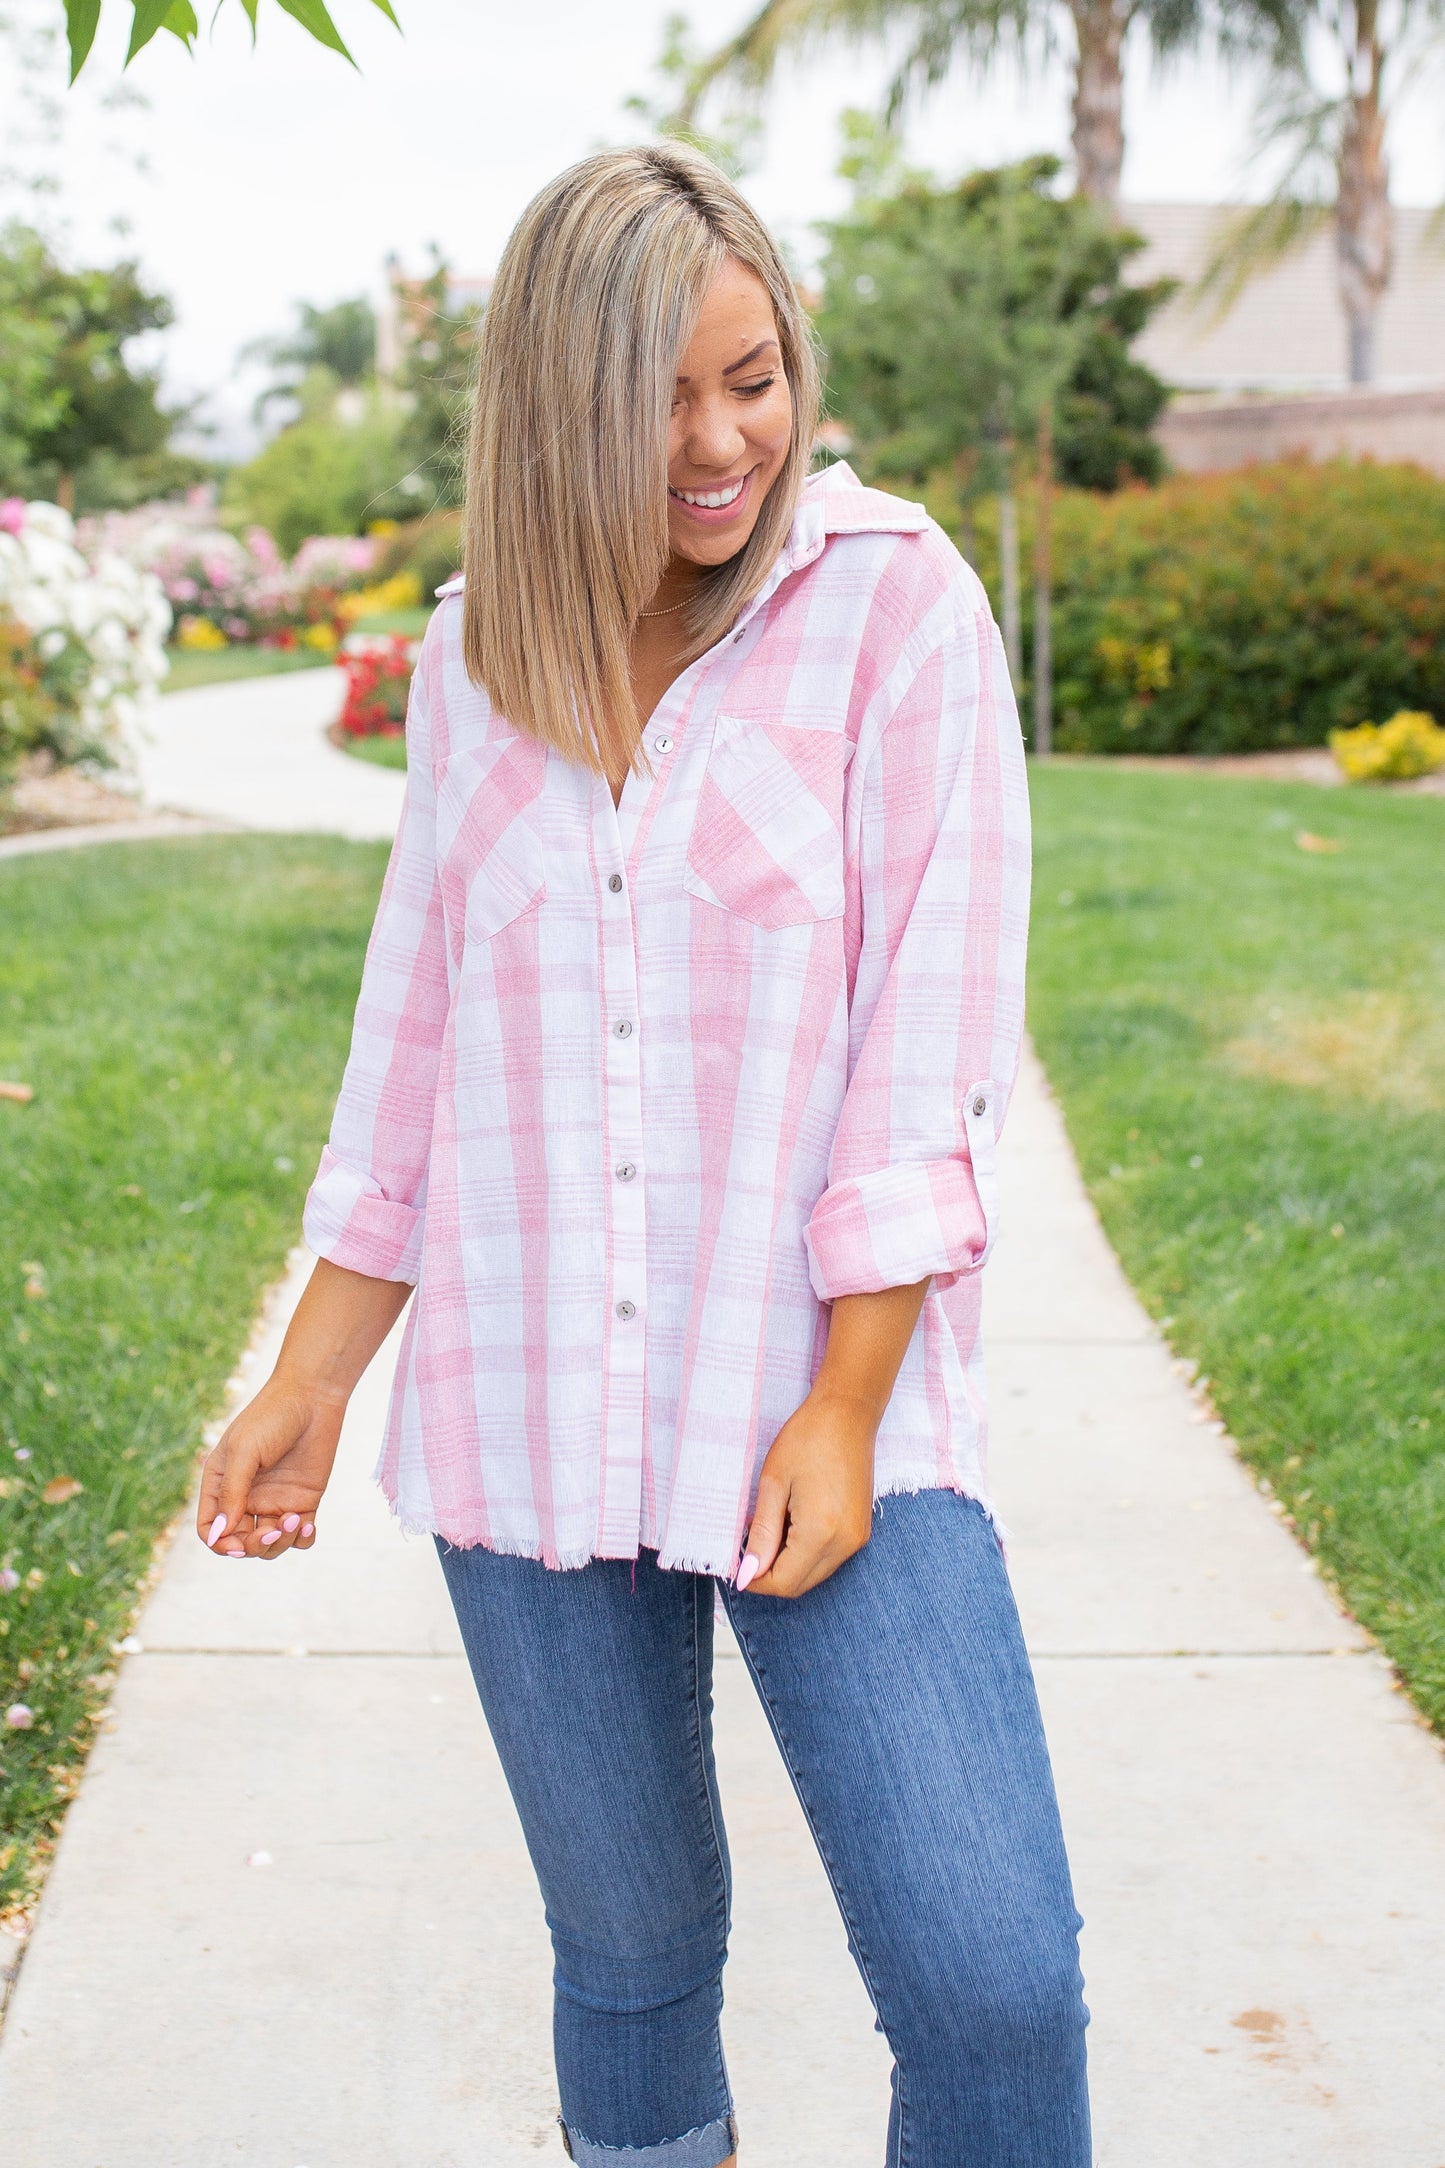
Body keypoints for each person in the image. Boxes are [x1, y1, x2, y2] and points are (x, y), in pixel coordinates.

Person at [197, 143, 1090, 2168]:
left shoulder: (895, 613)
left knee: (993, 1984)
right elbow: (413, 1047)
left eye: (754, 377)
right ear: (555, 410)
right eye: (663, 398)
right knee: (628, 1958)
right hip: (528, 1422)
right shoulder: (468, 657)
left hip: (821, 1414)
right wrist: (312, 1379)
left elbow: (930, 1052)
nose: (721, 444)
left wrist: (850, 1400)